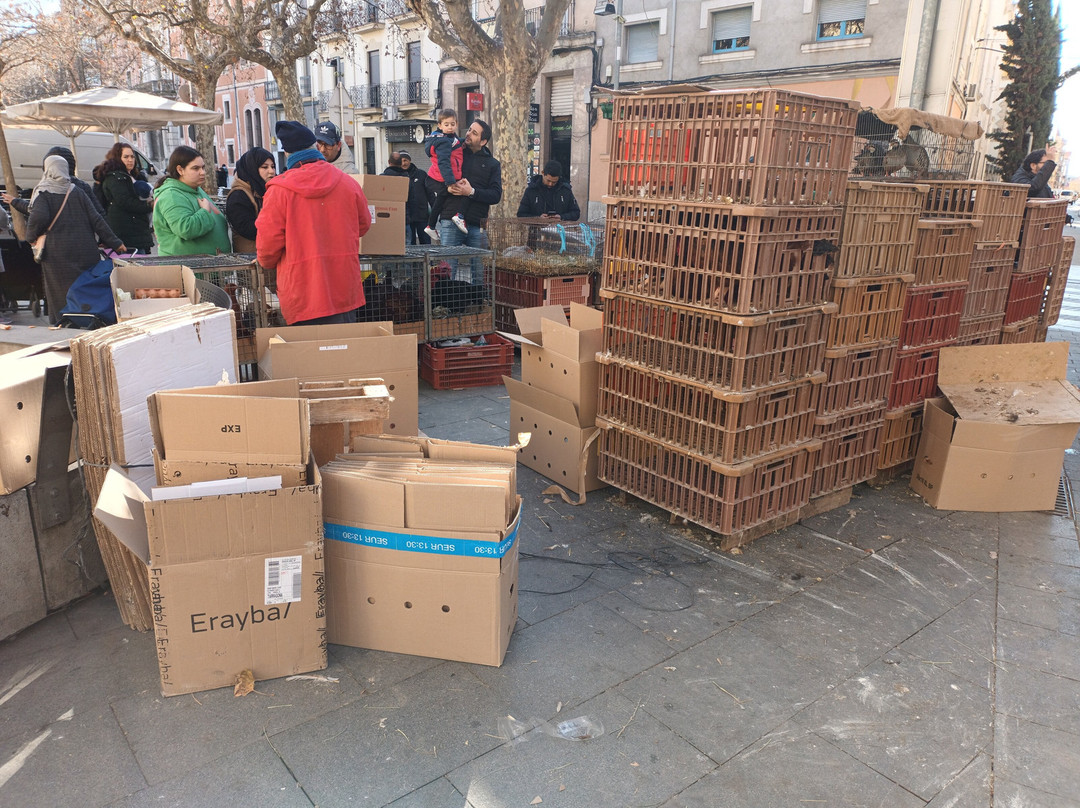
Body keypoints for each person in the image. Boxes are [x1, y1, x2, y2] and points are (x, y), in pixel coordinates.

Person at [256, 120, 372, 326]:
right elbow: (363, 225)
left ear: (286, 154)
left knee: (306, 356)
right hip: (343, 288)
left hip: (301, 292)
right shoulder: (348, 183)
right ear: (316, 148)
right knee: (344, 353)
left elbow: (267, 248)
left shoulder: (278, 191)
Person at [20, 155, 125, 324]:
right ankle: (88, 320)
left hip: (57, 255)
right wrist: (116, 243)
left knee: (60, 292)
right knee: (86, 288)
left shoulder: (43, 192)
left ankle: (63, 323)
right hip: (86, 251)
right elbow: (96, 219)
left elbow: (38, 217)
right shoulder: (76, 190)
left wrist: (31, 237)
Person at [437, 118, 502, 283]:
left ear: (483, 141)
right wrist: (448, 188)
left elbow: (495, 195)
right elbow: (435, 179)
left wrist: (471, 192)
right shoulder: (453, 151)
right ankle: (443, 307)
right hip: (450, 220)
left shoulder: (493, 164)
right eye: (469, 130)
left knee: (479, 273)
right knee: (446, 272)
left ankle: (478, 305)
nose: (468, 134)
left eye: (474, 133)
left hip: (476, 225)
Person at [152, 146, 231, 256]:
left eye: (203, 167)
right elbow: (186, 229)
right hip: (187, 268)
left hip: (207, 267)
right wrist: (204, 211)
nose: (202, 172)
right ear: (180, 170)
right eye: (195, 168)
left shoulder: (195, 189)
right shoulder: (171, 195)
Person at [100, 142, 155, 255]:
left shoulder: (137, 176)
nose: (130, 160)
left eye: (132, 156)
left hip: (138, 229)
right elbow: (125, 202)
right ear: (117, 158)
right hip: (125, 231)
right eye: (126, 157)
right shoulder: (115, 178)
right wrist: (149, 205)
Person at [423, 109, 468, 242]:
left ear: (457, 124)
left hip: (435, 177)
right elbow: (444, 162)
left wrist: (464, 141)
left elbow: (454, 141)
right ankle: (460, 216)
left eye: (452, 124)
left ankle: (431, 226)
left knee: (440, 200)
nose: (450, 127)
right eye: (446, 124)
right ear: (440, 125)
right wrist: (450, 181)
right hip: (442, 178)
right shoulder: (443, 142)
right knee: (467, 191)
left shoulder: (445, 138)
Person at [226, 147, 276, 253]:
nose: (271, 171)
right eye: (265, 167)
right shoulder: (238, 195)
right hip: (250, 260)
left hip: (270, 255)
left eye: (273, 166)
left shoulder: (270, 190)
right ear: (252, 169)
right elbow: (247, 229)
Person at [382, 150, 430, 245]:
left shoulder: (421, 174)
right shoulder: (395, 177)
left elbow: (430, 194)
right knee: (410, 244)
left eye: (405, 160)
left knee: (424, 243)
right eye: (402, 161)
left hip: (421, 216)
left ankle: (426, 260)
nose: (404, 163)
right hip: (406, 218)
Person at [516, 159, 581, 221]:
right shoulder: (531, 190)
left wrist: (562, 217)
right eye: (548, 180)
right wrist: (537, 218)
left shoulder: (565, 190)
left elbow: (576, 213)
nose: (550, 184)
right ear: (543, 173)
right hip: (537, 230)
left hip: (560, 230)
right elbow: (521, 214)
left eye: (554, 182)